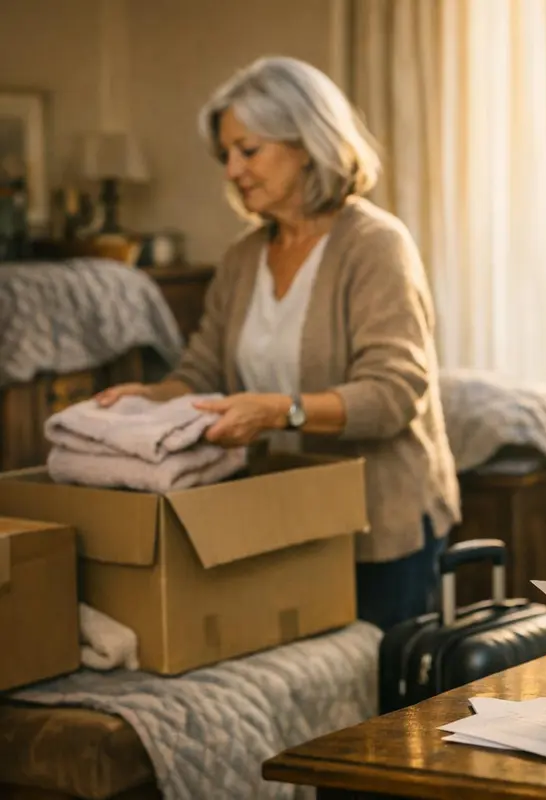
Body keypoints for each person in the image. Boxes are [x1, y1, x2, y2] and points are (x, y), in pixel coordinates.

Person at [94, 56, 460, 631]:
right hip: (284, 519)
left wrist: (280, 412)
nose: (233, 170)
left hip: (381, 526)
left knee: (384, 706)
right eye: (226, 156)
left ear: (306, 141)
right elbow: (200, 372)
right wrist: (147, 397)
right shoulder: (242, 259)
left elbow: (392, 395)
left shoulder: (375, 245)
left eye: (248, 149)